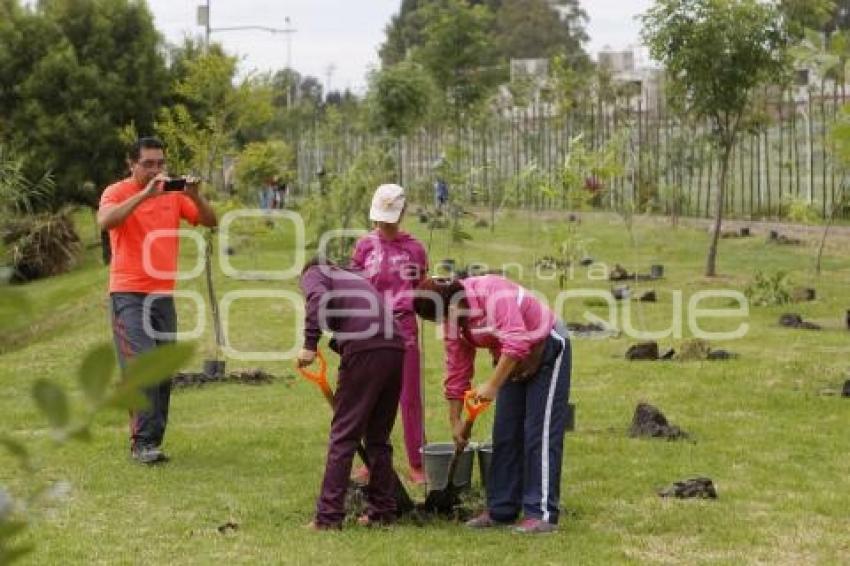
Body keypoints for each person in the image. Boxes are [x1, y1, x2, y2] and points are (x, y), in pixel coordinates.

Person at [413, 275, 571, 534]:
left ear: (452, 306)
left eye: (443, 318)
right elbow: (457, 369)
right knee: (505, 433)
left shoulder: (493, 292)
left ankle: (541, 513)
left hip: (547, 347)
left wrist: (492, 386)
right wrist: (455, 420)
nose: (444, 325)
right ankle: (501, 510)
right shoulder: (455, 320)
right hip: (508, 357)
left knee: (538, 433)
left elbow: (518, 340)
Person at [98, 137, 217, 464]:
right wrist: (144, 195)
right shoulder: (117, 191)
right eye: (147, 164)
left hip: (163, 294)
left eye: (160, 163)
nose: (155, 170)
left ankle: (152, 440)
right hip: (128, 292)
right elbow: (105, 222)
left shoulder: (173, 195)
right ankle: (142, 444)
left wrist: (195, 196)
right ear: (131, 164)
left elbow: (211, 220)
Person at [297, 258, 406, 529]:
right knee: (378, 438)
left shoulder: (315, 272)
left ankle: (328, 517)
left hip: (366, 345)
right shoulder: (355, 279)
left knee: (344, 436)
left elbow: (317, 298)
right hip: (395, 345)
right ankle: (383, 512)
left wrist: (310, 344)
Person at [351, 183, 429, 485]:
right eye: (380, 217)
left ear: (402, 213)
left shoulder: (416, 249)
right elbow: (354, 284)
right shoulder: (364, 246)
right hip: (370, 328)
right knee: (371, 396)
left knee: (409, 397)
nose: (383, 223)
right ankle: (373, 461)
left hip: (404, 328)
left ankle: (417, 463)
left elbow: (421, 289)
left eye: (390, 216)